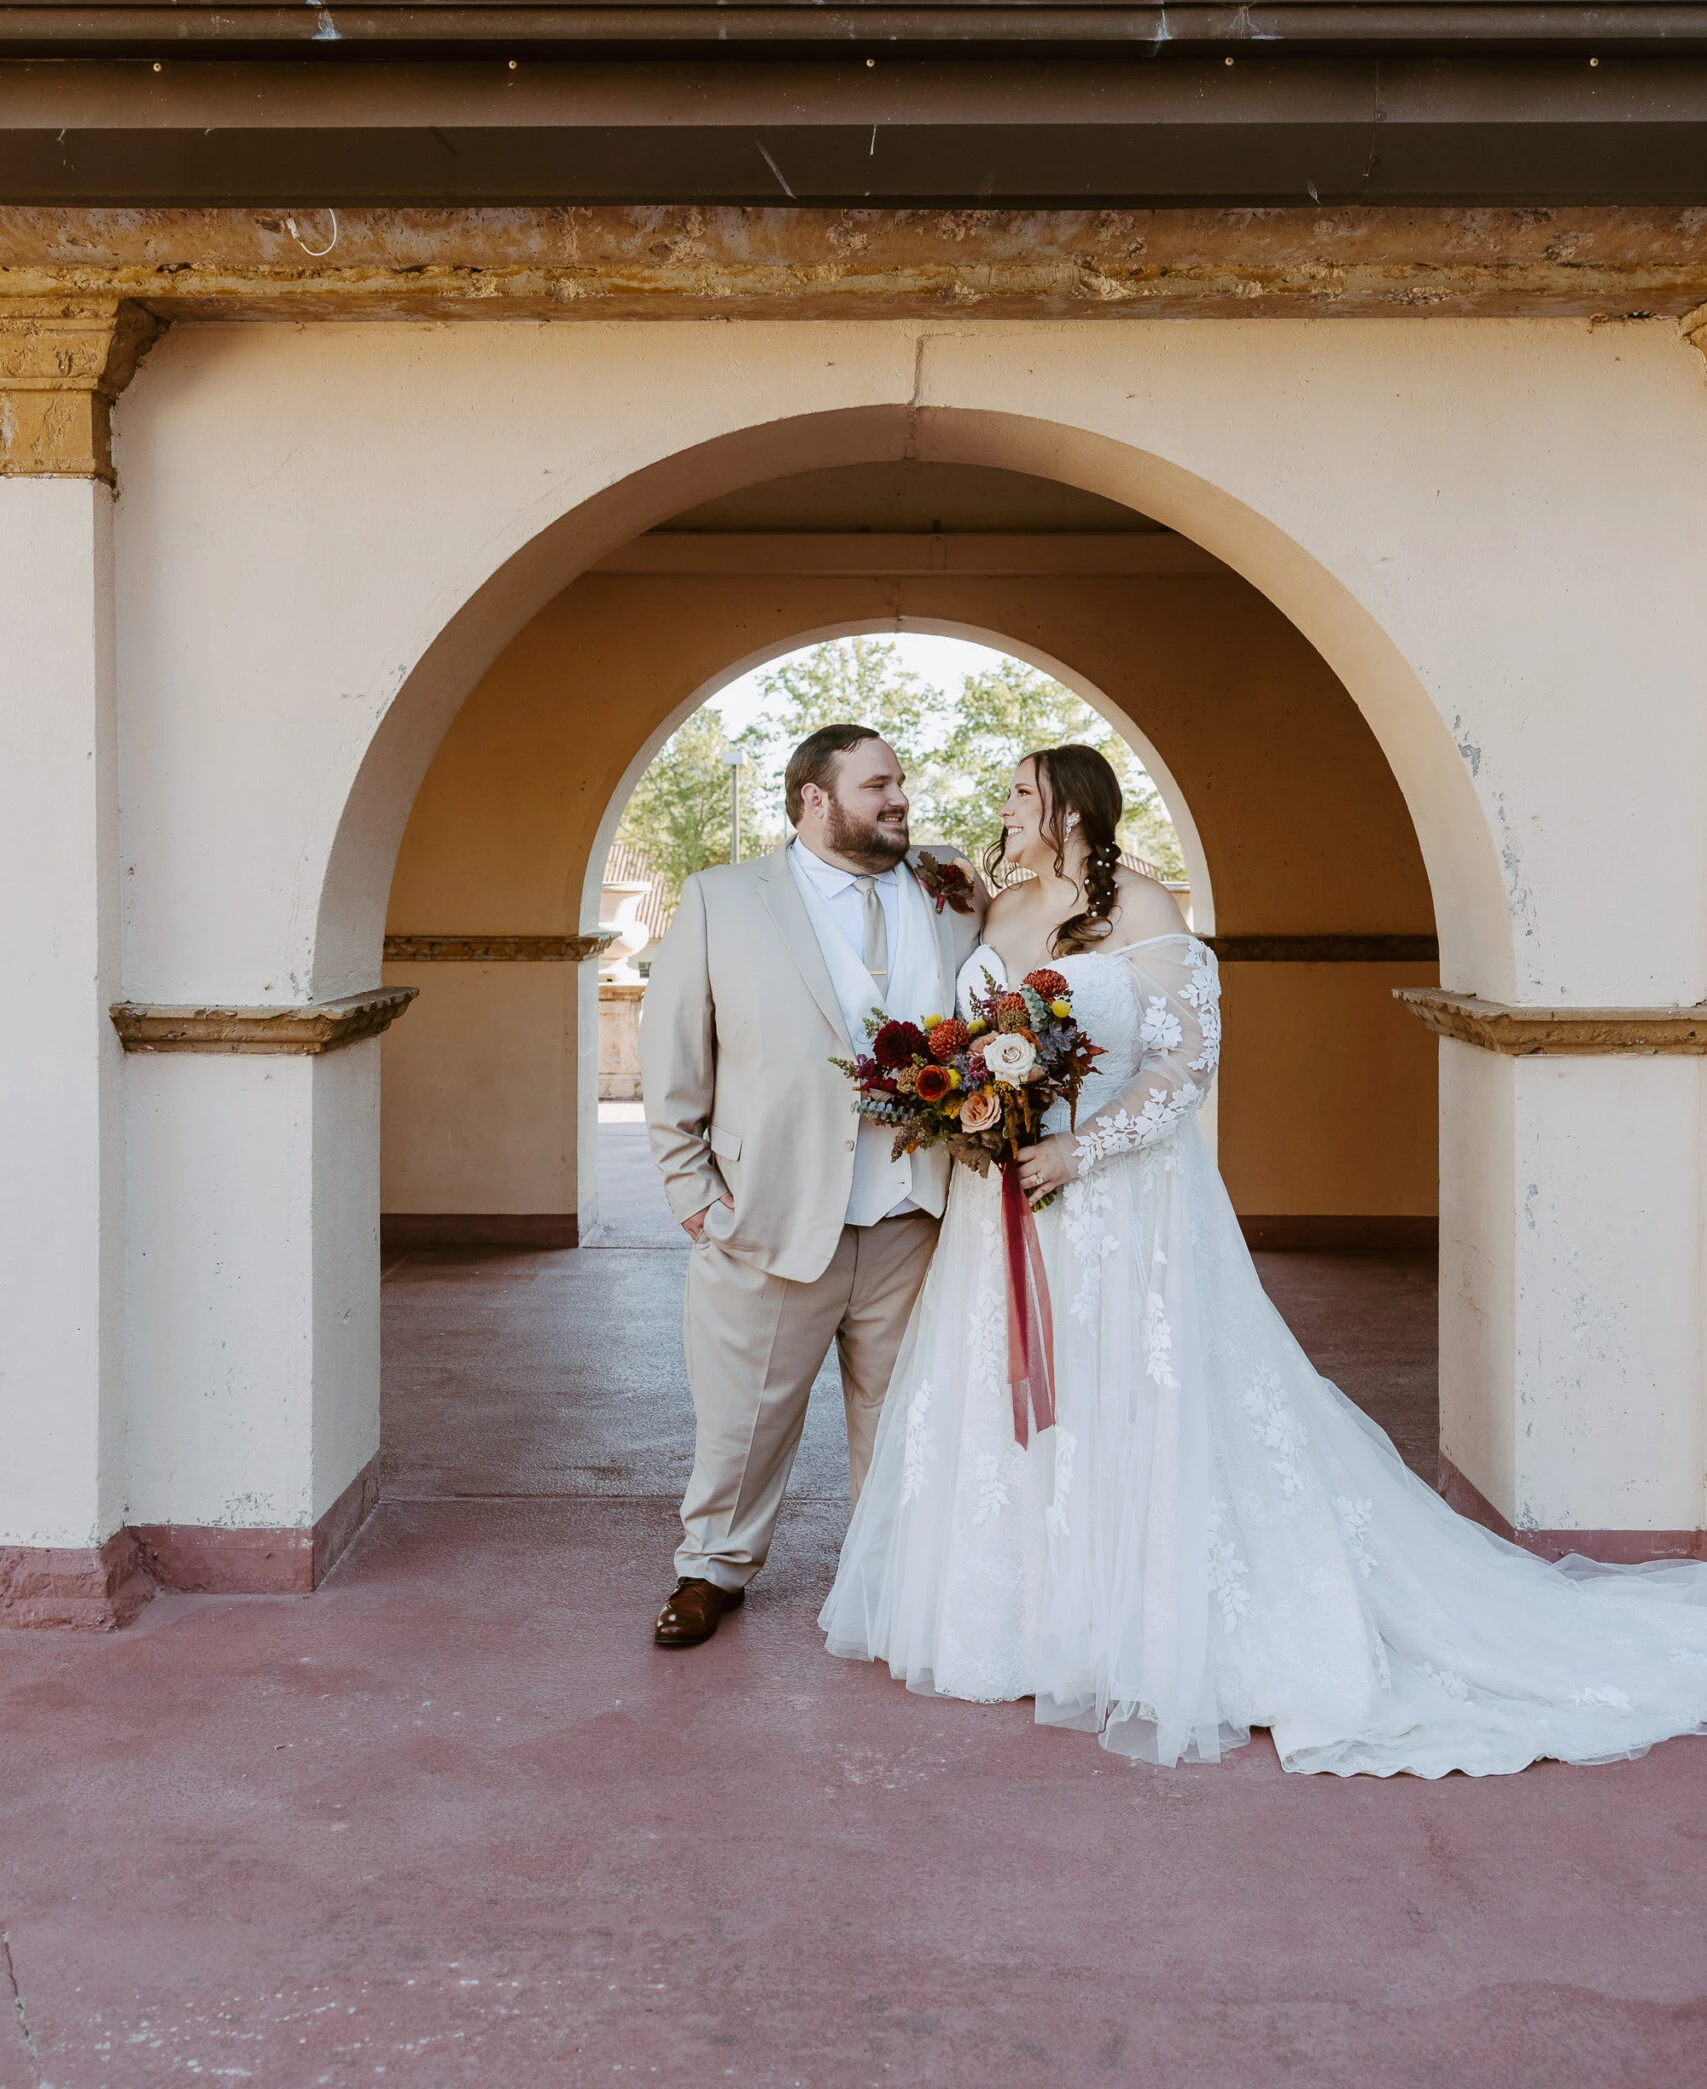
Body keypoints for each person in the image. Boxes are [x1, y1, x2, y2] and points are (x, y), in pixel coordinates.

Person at [822, 743, 1707, 1777]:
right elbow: (964, 1012)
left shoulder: (1145, 910)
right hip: (1004, 1207)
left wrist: (1080, 1145)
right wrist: (974, 1118)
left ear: (1072, 807)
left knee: (1135, 1397)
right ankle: (1031, 1619)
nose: (1005, 806)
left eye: (1023, 791)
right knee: (1015, 1398)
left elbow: (1186, 1065)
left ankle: (1155, 1626)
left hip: (1121, 1205)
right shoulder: (994, 908)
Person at [640, 724, 988, 1649]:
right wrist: (690, 1189)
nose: (900, 799)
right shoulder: (723, 898)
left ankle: (887, 1580)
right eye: (878, 786)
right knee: (744, 1416)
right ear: (812, 799)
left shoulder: (949, 886)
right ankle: (711, 1569)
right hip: (770, 1212)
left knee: (903, 1411)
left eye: (902, 783)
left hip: (917, 1207)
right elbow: (673, 1051)